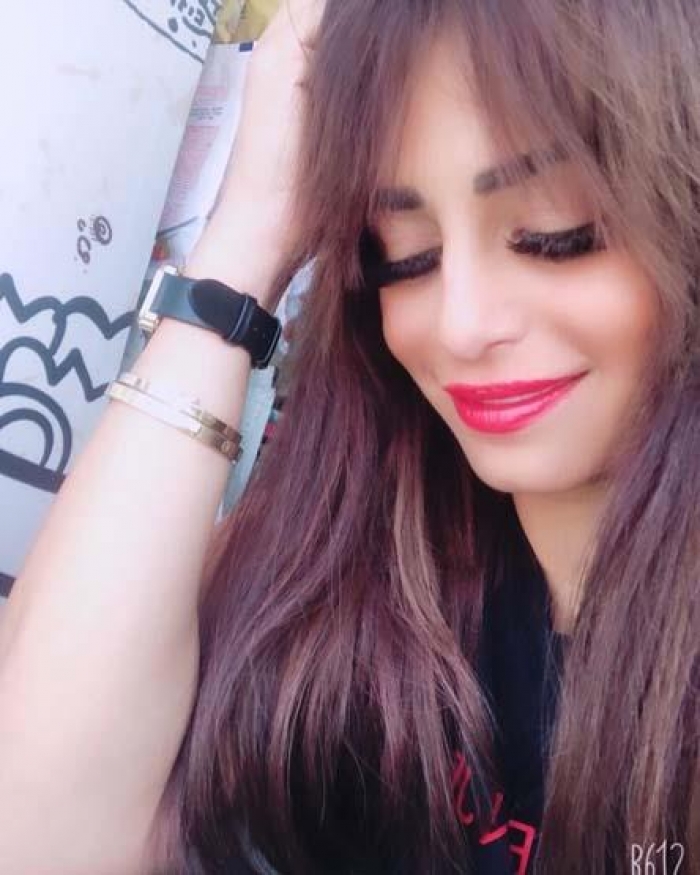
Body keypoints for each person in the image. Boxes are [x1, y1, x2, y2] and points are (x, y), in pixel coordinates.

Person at [0, 0, 698, 873]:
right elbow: (38, 831)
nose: (461, 324)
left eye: (557, 236)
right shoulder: (359, 562)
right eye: (404, 253)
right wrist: (247, 242)